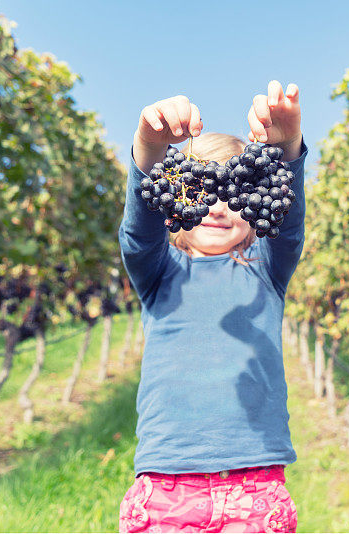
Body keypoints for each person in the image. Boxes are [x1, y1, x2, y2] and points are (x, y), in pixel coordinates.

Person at [117, 81, 306, 533]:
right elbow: (138, 232)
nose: (218, 207)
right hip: (166, 483)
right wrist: (150, 149)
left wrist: (286, 149)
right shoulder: (159, 271)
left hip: (255, 485)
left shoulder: (266, 270)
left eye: (234, 192)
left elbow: (289, 223)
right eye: (202, 191)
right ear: (176, 200)